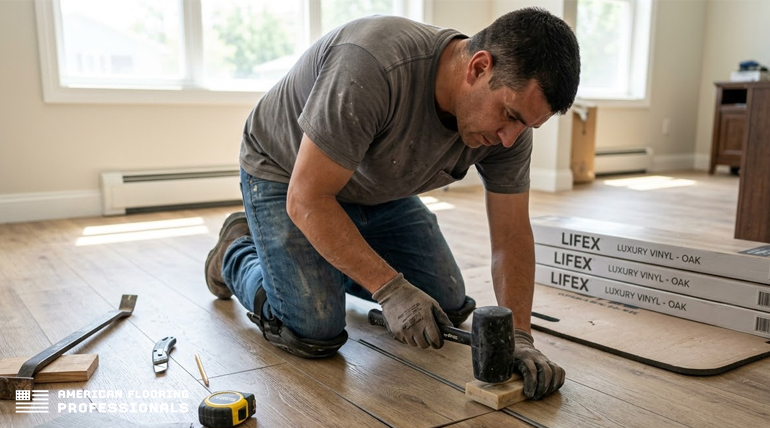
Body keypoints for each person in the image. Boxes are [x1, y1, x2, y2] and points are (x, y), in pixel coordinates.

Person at [205, 7, 580, 400]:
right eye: (509, 116)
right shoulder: (372, 65)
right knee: (313, 329)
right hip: (287, 176)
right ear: (479, 68)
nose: (510, 138)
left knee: (445, 308)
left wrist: (520, 335)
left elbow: (511, 235)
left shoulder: (509, 130)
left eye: (526, 126)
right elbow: (308, 198)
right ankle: (235, 251)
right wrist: (389, 289)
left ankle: (328, 259)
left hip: (374, 187)